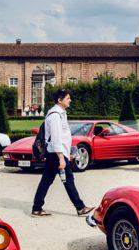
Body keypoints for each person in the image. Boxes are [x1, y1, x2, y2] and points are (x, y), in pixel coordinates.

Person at [31, 88, 94, 217]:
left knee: (46, 180)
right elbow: (55, 138)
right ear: (60, 100)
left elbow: (63, 137)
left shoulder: (61, 113)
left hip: (56, 153)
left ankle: (37, 208)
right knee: (68, 180)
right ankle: (80, 207)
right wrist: (61, 158)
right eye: (67, 98)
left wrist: (66, 153)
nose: (70, 100)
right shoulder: (55, 115)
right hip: (55, 154)